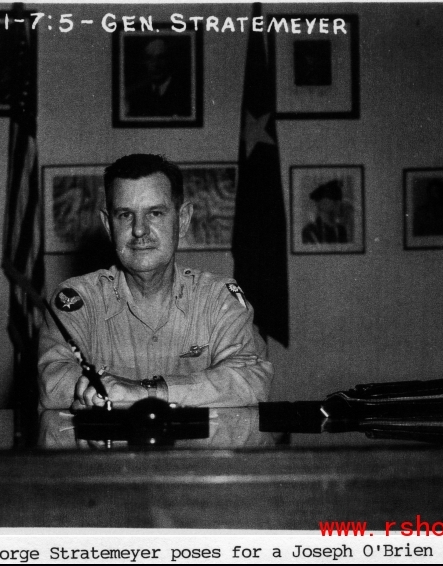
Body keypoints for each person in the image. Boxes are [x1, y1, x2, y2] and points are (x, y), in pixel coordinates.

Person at [38, 154, 272, 410]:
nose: (140, 230)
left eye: (155, 213)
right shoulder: (78, 300)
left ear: (182, 220)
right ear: (108, 225)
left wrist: (143, 393)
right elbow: (52, 383)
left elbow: (252, 379)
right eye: (126, 215)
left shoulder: (218, 299)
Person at [125, 38, 191, 118]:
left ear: (169, 60)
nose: (155, 64)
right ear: (145, 62)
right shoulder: (135, 96)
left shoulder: (185, 94)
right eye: (150, 58)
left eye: (161, 58)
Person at [301, 179, 353, 244]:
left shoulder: (341, 230)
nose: (337, 204)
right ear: (320, 203)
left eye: (338, 201)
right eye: (333, 200)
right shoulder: (310, 230)